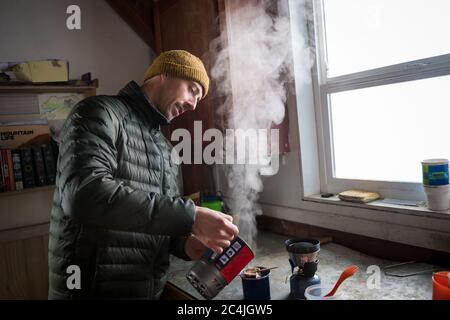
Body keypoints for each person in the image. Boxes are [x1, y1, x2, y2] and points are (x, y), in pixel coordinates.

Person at [48, 50, 239, 299]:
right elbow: (84, 195)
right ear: (164, 74)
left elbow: (155, 221)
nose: (193, 104)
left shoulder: (167, 150)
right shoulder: (99, 112)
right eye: (192, 89)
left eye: (198, 98)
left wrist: (183, 244)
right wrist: (191, 216)